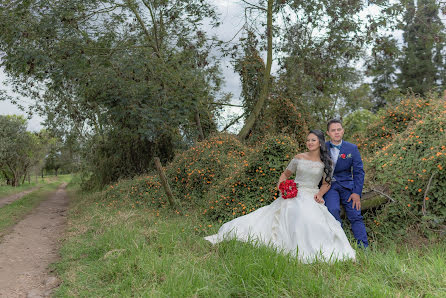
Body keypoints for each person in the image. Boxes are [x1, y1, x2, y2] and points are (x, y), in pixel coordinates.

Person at [205, 130, 356, 263]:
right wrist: (282, 187)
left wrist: (320, 194)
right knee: (293, 213)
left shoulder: (326, 162)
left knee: (315, 221)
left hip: (311, 195)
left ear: (320, 142)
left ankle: (315, 250)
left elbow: (326, 183)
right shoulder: (299, 157)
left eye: (313, 140)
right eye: (308, 140)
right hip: (294, 194)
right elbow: (285, 174)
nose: (310, 142)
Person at [324, 119, 369, 248]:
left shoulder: (352, 148)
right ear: (328, 133)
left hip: (347, 186)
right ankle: (341, 247)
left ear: (343, 131)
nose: (336, 132)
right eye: (333, 130)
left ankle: (363, 247)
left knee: (355, 214)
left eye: (339, 129)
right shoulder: (322, 148)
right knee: (333, 210)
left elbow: (359, 172)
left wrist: (356, 192)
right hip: (329, 186)